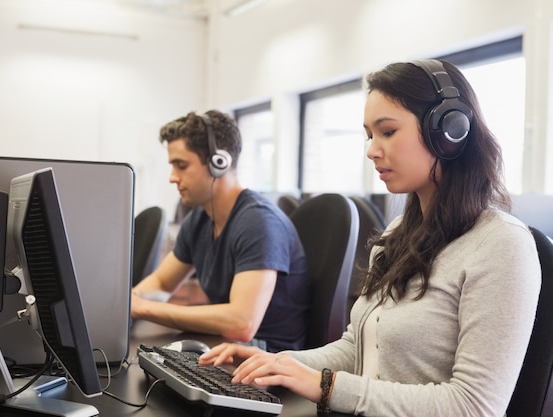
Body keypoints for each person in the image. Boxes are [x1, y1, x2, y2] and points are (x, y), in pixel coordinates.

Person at [199, 60, 541, 416]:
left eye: (388, 132)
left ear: (449, 131)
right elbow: (357, 349)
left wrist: (327, 387)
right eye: (369, 135)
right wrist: (278, 362)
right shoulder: (397, 236)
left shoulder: (501, 246)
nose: (372, 150)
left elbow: (475, 407)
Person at [131, 110, 311, 352]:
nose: (173, 178)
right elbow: (162, 283)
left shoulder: (258, 222)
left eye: (181, 166)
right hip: (227, 346)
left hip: (267, 357)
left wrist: (143, 308)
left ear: (219, 163)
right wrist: (128, 302)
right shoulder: (200, 218)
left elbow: (242, 323)